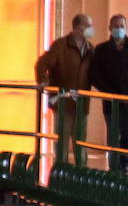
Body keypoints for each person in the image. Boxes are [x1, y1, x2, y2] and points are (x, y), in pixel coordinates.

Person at [89, 14, 128, 174]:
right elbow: (95, 75)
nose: (119, 29)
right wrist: (108, 91)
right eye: (115, 26)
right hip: (111, 102)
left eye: (121, 26)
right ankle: (115, 170)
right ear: (110, 28)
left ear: (126, 28)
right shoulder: (101, 50)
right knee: (114, 137)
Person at [35, 14, 95, 163]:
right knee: (61, 142)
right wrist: (44, 82)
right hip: (63, 104)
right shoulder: (61, 46)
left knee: (80, 143)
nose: (91, 30)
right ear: (78, 28)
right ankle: (60, 173)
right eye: (88, 26)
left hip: (82, 104)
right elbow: (42, 63)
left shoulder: (90, 49)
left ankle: (81, 176)